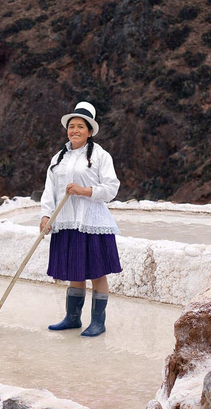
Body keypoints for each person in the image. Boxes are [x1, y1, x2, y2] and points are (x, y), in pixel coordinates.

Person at [39, 101, 122, 337]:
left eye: (80, 126)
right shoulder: (58, 158)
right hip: (66, 221)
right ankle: (72, 319)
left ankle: (98, 322)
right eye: (71, 126)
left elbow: (111, 188)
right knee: (74, 272)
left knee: (97, 272)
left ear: (90, 131)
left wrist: (85, 191)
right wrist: (46, 215)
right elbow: (50, 190)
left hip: (92, 223)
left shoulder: (100, 156)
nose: (74, 130)